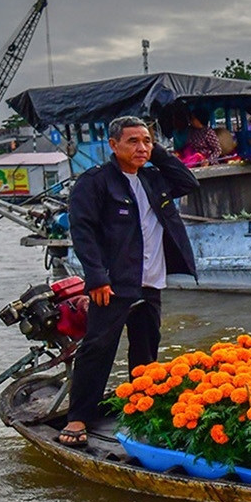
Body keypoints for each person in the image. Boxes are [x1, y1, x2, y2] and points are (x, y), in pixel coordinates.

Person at [57, 116, 199, 447]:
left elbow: (189, 182)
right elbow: (83, 232)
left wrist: (158, 154)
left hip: (150, 279)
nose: (142, 147)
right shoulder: (95, 183)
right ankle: (78, 416)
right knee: (98, 348)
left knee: (146, 347)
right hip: (114, 282)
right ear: (113, 145)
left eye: (147, 141)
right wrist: (96, 277)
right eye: (133, 141)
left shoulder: (153, 178)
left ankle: (141, 406)